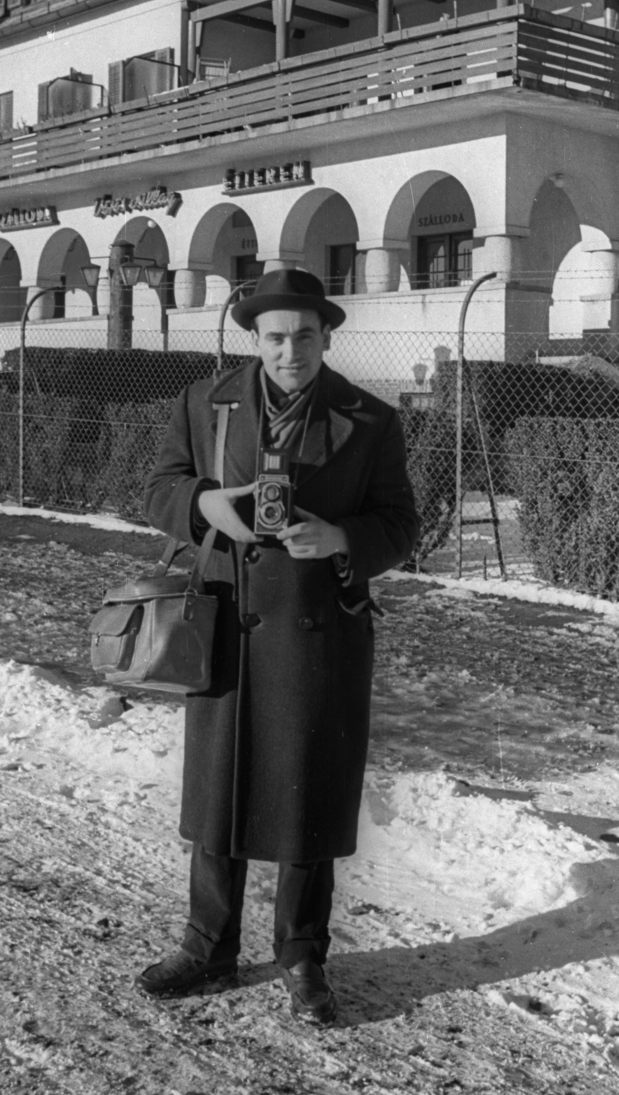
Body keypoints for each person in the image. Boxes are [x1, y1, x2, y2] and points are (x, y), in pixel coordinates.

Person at [138, 268, 418, 1024]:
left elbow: (400, 525)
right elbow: (159, 486)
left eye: (303, 336)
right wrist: (203, 508)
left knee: (308, 799)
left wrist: (340, 537)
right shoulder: (207, 403)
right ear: (253, 339)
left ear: (327, 337)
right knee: (217, 790)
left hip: (317, 628)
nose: (289, 350)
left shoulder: (370, 420)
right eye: (274, 337)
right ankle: (208, 948)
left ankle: (302, 956)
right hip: (227, 620)